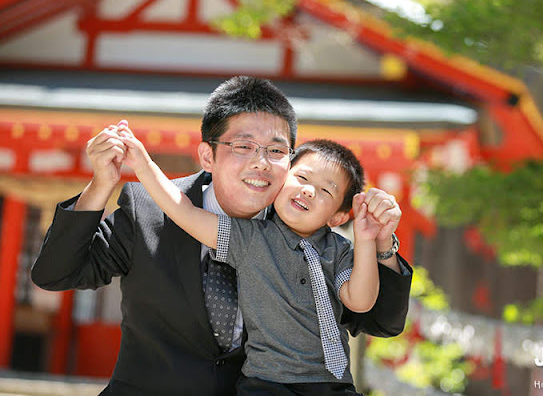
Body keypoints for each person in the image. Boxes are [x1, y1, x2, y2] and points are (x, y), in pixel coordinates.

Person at [31, 76, 412, 395]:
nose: (261, 161)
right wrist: (101, 186)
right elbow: (56, 274)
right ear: (207, 155)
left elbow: (380, 321)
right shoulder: (148, 208)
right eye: (243, 146)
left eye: (276, 150)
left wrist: (380, 245)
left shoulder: (311, 238)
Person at [122, 128, 392, 394]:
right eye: (302, 178)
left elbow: (360, 301)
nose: (309, 190)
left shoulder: (340, 249)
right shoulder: (250, 237)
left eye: (325, 191)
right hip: (267, 383)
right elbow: (188, 215)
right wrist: (144, 166)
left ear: (338, 217)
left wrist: (367, 240)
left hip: (332, 383)